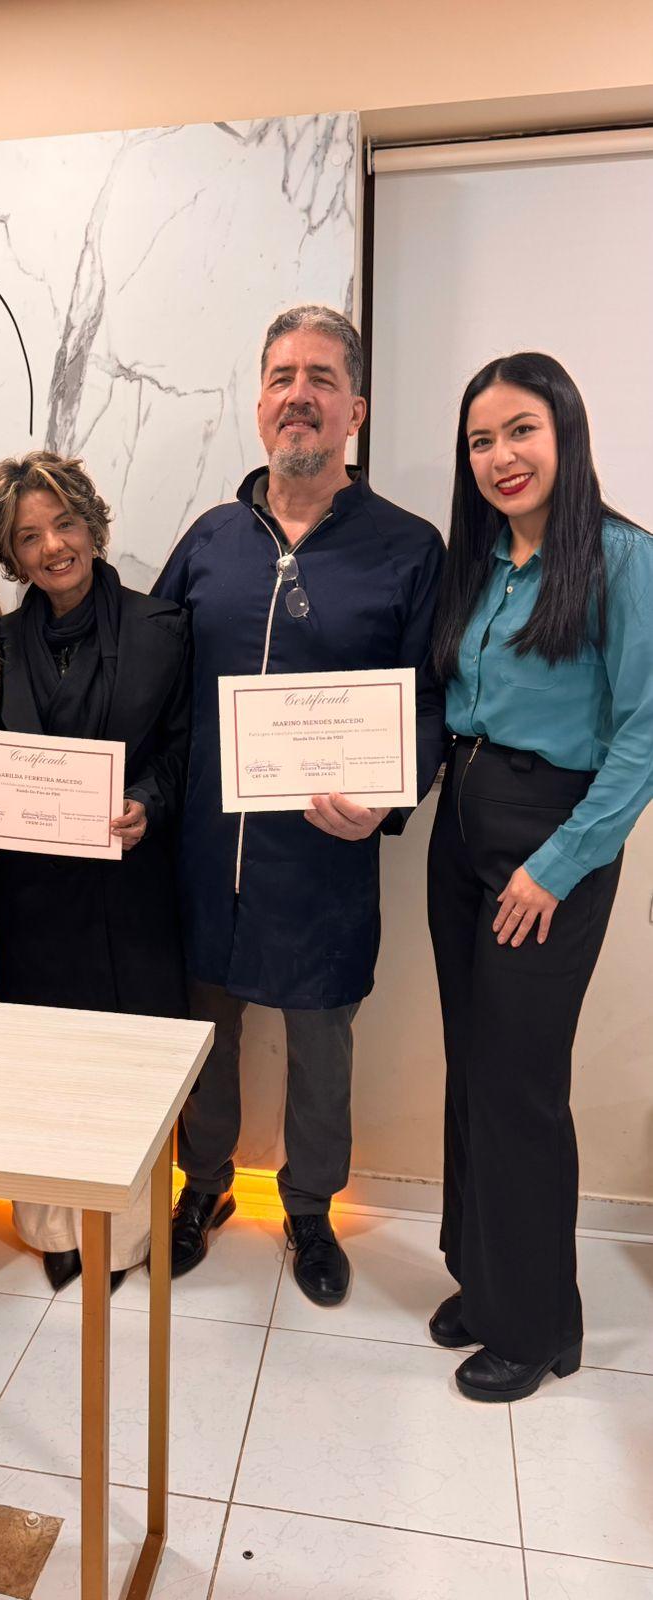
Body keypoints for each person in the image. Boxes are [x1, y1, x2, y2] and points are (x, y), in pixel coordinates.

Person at [153, 304, 446, 1306]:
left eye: (322, 378)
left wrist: (388, 798)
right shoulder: (211, 540)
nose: (300, 395)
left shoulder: (408, 548)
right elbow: (154, 681)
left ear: (356, 408)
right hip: (207, 852)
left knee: (323, 1044)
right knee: (207, 1036)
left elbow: (433, 702)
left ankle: (312, 1208)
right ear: (259, 403)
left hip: (325, 860)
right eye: (282, 376)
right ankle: (202, 1186)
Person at [426, 352, 653, 1402]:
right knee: (473, 1066)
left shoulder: (621, 559)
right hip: (462, 826)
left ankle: (537, 1327)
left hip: (551, 842)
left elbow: (643, 738)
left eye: (521, 430)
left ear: (566, 431)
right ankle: (489, 1283)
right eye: (482, 440)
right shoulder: (478, 561)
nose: (501, 456)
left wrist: (555, 867)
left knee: (520, 1082)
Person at [0, 451, 189, 1293]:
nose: (52, 547)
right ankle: (52, 1226)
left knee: (130, 1059)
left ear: (92, 524)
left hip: (132, 880)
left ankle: (124, 1234)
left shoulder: (162, 627)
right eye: (29, 536)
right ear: (11, 554)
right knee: (44, 1060)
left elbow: (183, 749)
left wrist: (147, 802)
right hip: (34, 893)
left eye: (64, 523)